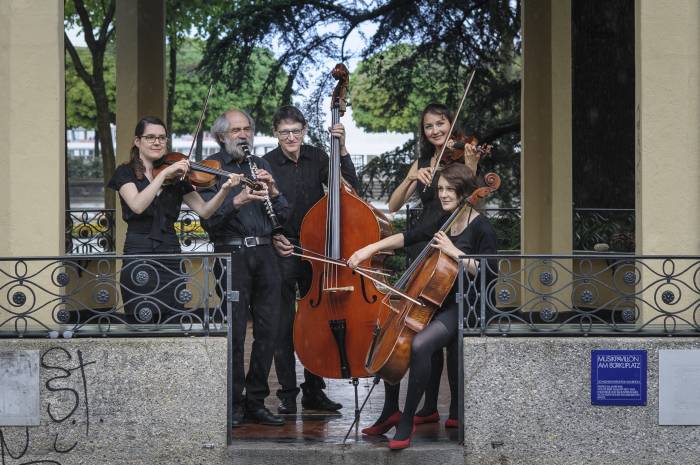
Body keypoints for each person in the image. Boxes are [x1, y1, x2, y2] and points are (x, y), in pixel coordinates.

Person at [348, 163, 497, 450]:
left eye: (449, 189)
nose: (442, 194)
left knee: (419, 345)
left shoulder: (481, 227)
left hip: (465, 304)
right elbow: (409, 236)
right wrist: (368, 250)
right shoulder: (445, 219)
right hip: (437, 302)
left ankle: (405, 421)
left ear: (465, 192)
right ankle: (390, 409)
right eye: (440, 189)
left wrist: (455, 253)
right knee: (392, 335)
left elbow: (490, 274)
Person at [366, 104, 482, 431]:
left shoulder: (462, 158)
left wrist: (472, 163)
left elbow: (472, 202)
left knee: (444, 337)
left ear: (451, 124)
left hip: (450, 251)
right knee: (407, 325)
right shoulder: (422, 163)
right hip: (420, 248)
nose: (435, 130)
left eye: (440, 123)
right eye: (429, 126)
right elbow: (392, 205)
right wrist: (411, 177)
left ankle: (454, 409)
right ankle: (408, 407)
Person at [199, 109, 289, 427]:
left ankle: (256, 402)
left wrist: (274, 192)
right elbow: (208, 220)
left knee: (269, 331)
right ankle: (235, 403)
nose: (242, 135)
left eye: (246, 129)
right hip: (232, 255)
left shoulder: (261, 165)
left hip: (266, 255)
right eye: (235, 130)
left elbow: (284, 216)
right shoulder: (211, 168)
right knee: (236, 332)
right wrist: (235, 201)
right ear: (222, 136)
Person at [265, 105, 357, 414]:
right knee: (283, 324)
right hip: (283, 250)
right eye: (284, 132)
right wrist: (273, 235)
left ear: (304, 130)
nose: (291, 137)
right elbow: (261, 208)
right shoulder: (266, 163)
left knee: (315, 321)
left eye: (296, 131)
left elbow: (348, 189)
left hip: (318, 250)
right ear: (276, 134)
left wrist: (342, 149)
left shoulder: (318, 157)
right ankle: (288, 395)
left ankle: (314, 391)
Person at [107, 116, 241, 322]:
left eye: (162, 137)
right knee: (141, 320)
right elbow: (137, 205)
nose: (157, 142)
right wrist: (163, 176)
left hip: (170, 254)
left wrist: (223, 190)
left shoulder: (178, 176)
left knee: (173, 319)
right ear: (137, 141)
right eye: (150, 137)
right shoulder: (125, 173)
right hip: (138, 252)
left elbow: (204, 211)